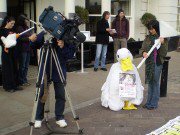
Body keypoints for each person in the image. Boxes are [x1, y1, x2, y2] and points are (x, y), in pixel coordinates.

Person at [34, 38, 76, 128]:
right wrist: (34, 39)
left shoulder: (67, 36)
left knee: (60, 95)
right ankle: (38, 117)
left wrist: (63, 46)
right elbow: (34, 45)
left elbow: (70, 55)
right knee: (41, 94)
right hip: (45, 70)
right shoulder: (46, 32)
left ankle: (59, 117)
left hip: (59, 70)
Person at [140, 20, 168, 110]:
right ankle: (148, 102)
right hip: (149, 63)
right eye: (149, 29)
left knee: (155, 82)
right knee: (150, 82)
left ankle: (153, 103)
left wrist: (162, 43)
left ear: (156, 28)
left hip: (157, 63)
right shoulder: (148, 38)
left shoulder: (163, 38)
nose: (150, 31)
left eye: (152, 29)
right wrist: (143, 52)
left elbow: (164, 53)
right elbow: (142, 48)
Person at [0, 16, 23, 92]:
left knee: (14, 68)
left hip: (13, 52)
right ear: (7, 22)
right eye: (12, 23)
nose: (13, 25)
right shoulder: (2, 30)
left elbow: (16, 39)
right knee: (7, 70)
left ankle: (15, 85)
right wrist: (5, 43)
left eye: (14, 24)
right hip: (6, 52)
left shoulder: (12, 30)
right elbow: (2, 41)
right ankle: (8, 87)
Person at [16, 14, 37, 86]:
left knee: (26, 66)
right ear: (22, 20)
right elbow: (19, 39)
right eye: (25, 19)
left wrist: (33, 37)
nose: (27, 21)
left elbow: (29, 37)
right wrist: (29, 38)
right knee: (22, 66)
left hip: (28, 48)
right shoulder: (19, 28)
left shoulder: (27, 27)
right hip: (22, 49)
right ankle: (21, 81)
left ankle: (25, 80)